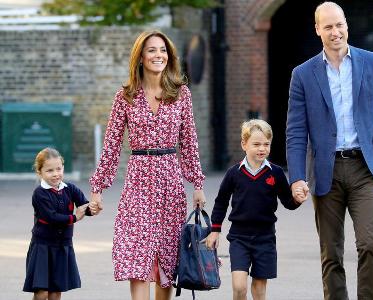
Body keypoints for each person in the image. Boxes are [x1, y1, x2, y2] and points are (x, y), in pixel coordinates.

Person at [286, 2, 373, 299]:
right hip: (325, 170)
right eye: (327, 26)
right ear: (317, 30)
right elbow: (296, 131)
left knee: (369, 243)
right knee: (331, 252)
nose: (335, 31)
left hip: (365, 167)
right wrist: (297, 177)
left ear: (346, 25)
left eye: (339, 24)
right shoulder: (302, 74)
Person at [88, 30, 206, 300]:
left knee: (166, 255)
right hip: (138, 180)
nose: (158, 55)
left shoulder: (181, 94)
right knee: (136, 255)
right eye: (152, 50)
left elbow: (189, 142)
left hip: (169, 181)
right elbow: (112, 145)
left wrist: (197, 185)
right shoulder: (126, 95)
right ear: (140, 57)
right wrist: (98, 187)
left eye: (163, 50)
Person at [206, 119, 306, 300]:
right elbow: (221, 202)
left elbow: (287, 202)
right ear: (244, 144)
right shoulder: (233, 173)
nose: (262, 149)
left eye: (266, 144)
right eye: (257, 144)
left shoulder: (275, 173)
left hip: (265, 238)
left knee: (259, 289)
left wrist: (297, 199)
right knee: (239, 287)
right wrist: (215, 231)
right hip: (239, 238)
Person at [23, 147, 91, 300]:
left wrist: (93, 208)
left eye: (58, 169)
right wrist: (74, 218)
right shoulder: (39, 193)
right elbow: (51, 217)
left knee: (55, 291)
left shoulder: (70, 189)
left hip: (63, 245)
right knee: (41, 292)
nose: (55, 174)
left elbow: (84, 205)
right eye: (49, 170)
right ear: (39, 172)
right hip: (42, 246)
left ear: (63, 168)